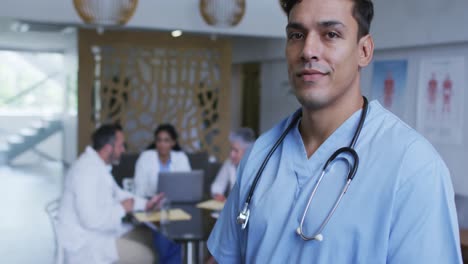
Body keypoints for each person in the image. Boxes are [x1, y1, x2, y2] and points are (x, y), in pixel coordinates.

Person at [207, 0, 462, 263]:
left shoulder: (412, 168)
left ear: (364, 50)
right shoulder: (261, 153)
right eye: (296, 35)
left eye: (331, 34)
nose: (307, 50)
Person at [57, 124, 164, 264]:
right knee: (147, 257)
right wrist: (121, 208)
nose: (123, 150)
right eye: (121, 146)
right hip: (87, 245)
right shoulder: (86, 172)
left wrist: (146, 204)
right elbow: (90, 221)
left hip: (102, 235)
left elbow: (119, 194)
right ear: (108, 148)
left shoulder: (99, 167)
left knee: (149, 236)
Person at [134, 123, 191, 198]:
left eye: (166, 140)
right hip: (151, 201)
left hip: (177, 200)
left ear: (173, 142)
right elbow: (139, 187)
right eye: (159, 140)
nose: (162, 144)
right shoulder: (145, 157)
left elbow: (187, 185)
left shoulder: (181, 158)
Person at [211, 127, 256, 201]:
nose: (232, 154)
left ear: (247, 152)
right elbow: (218, 184)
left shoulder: (256, 166)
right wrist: (217, 194)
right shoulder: (229, 163)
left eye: (236, 151)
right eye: (231, 149)